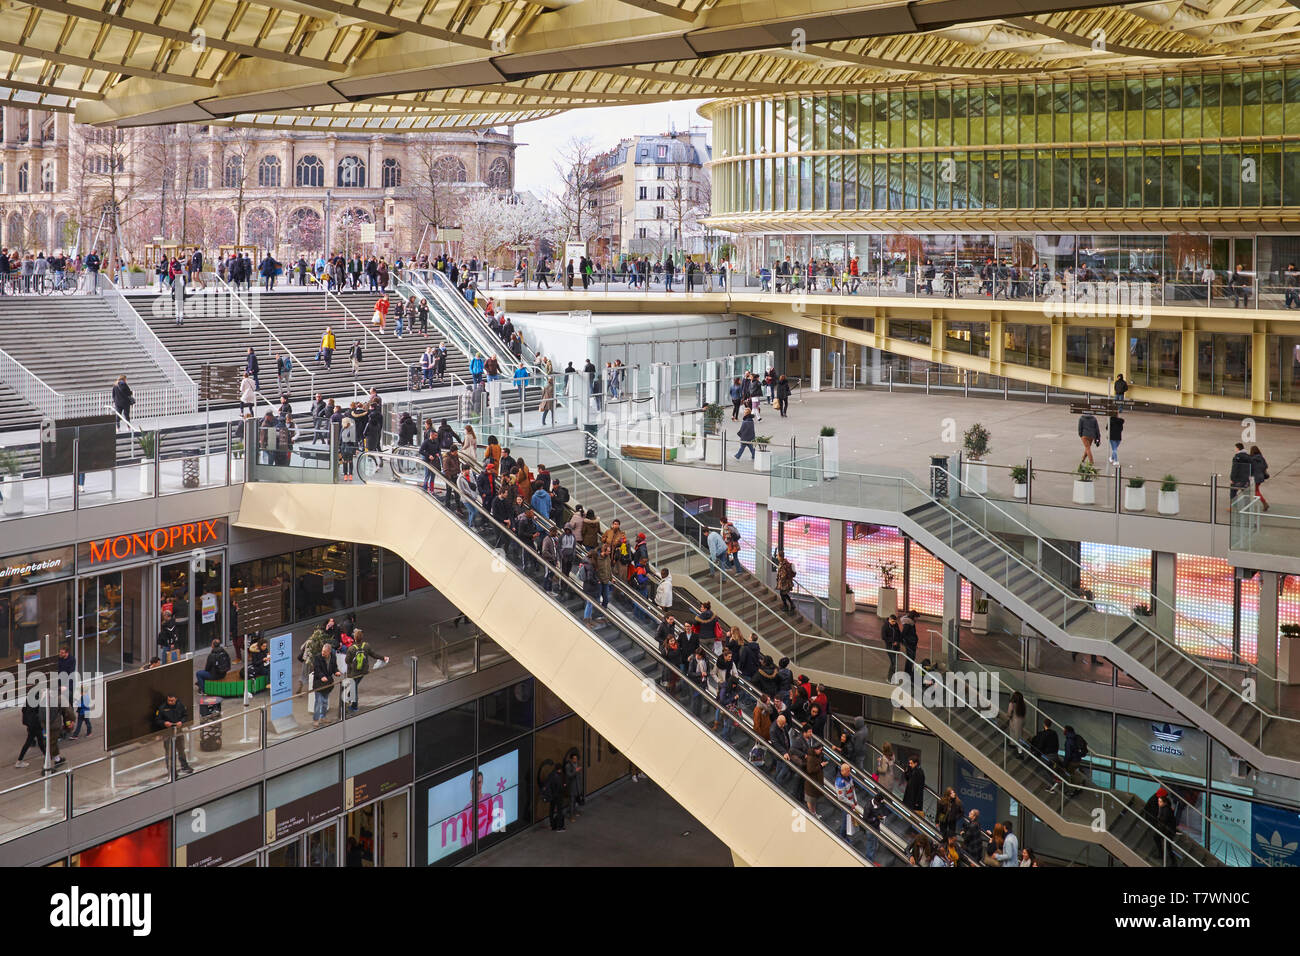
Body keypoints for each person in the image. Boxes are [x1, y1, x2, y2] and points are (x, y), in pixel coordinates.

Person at [344, 630, 388, 711]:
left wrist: (351, 665)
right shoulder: (366, 646)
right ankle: (350, 698)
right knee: (354, 685)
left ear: (354, 638)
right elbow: (373, 654)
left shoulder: (351, 649)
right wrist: (383, 658)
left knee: (354, 687)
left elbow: (347, 661)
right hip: (364, 671)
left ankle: (354, 706)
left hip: (353, 672)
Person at [153, 693, 193, 775]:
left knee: (181, 749)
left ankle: (184, 766)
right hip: (167, 733)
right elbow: (157, 720)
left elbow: (185, 715)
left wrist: (181, 722)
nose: (170, 702)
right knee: (170, 752)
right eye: (169, 700)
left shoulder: (180, 705)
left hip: (178, 731)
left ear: (176, 699)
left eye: (172, 701)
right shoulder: (162, 708)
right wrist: (164, 723)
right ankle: (171, 771)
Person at [312, 642, 339, 727]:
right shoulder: (317, 657)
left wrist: (336, 672)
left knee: (325, 702)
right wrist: (322, 676)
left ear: (329, 652)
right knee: (318, 702)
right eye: (322, 651)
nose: (322, 652)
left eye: (324, 652)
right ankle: (316, 720)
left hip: (328, 684)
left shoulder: (333, 657)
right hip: (319, 684)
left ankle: (323, 717)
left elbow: (334, 667)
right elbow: (317, 669)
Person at [543, 763, 566, 831]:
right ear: (560, 769)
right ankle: (559, 827)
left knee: (551, 810)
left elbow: (547, 784)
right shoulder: (557, 777)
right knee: (559, 811)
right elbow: (560, 787)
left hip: (551, 796)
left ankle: (552, 825)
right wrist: (564, 785)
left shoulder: (551, 774)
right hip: (558, 796)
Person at [564, 751, 584, 821]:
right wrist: (575, 771)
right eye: (574, 759)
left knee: (575, 801)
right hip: (572, 787)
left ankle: (575, 812)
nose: (575, 760)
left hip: (577, 786)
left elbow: (579, 776)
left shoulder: (577, 764)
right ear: (571, 759)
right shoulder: (568, 766)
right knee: (572, 802)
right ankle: (571, 816)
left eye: (576, 758)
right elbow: (569, 775)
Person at [1250, 444, 1270, 511]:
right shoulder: (1261, 458)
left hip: (1255, 477)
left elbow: (1250, 469)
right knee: (1256, 490)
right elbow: (1265, 466)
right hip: (1261, 477)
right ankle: (1264, 503)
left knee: (1256, 491)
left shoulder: (1251, 459)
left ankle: (1264, 503)